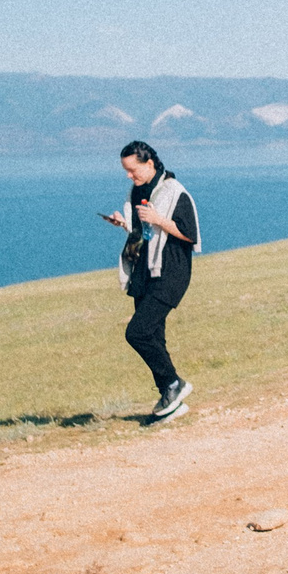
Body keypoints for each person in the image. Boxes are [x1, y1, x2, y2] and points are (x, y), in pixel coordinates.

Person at [104, 141, 199, 420]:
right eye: (126, 171)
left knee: (137, 332)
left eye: (132, 170)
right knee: (155, 336)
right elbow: (141, 230)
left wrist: (159, 219)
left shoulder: (175, 192)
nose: (129, 176)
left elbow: (190, 234)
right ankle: (171, 403)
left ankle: (174, 384)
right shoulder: (137, 191)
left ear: (149, 164)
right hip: (143, 271)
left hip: (170, 272)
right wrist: (123, 223)